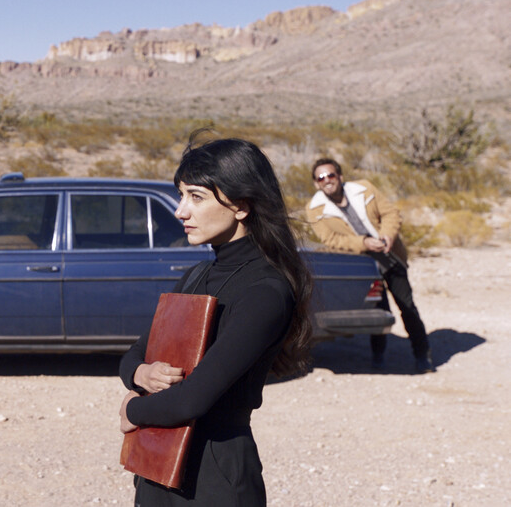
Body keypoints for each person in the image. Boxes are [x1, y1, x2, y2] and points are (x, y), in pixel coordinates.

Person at [119, 137, 313, 506]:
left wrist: (131, 409)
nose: (180, 211)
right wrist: (141, 375)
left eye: (196, 197)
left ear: (240, 206)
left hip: (214, 478)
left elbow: (193, 400)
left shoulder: (265, 291)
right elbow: (134, 354)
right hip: (159, 468)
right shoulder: (194, 277)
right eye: (181, 196)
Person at [305, 158, 434, 373]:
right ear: (316, 184)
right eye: (321, 178)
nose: (327, 180)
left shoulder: (365, 189)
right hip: (363, 263)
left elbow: (391, 213)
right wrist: (363, 243)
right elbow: (331, 239)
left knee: (407, 306)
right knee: (378, 309)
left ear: (340, 177)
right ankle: (379, 357)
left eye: (331, 175)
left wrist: (387, 236)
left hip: (389, 255)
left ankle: (423, 355)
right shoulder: (315, 209)